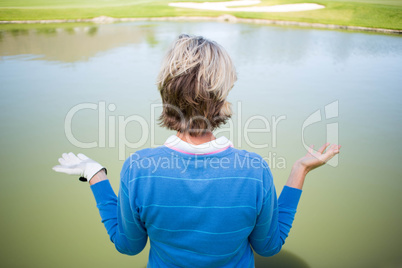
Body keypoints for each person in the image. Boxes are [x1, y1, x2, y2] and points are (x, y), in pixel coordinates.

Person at [53, 34, 341, 267]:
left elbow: (128, 246)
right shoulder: (254, 169)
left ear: (166, 93)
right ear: (223, 97)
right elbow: (268, 248)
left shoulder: (138, 167)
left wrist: (95, 174)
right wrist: (299, 169)